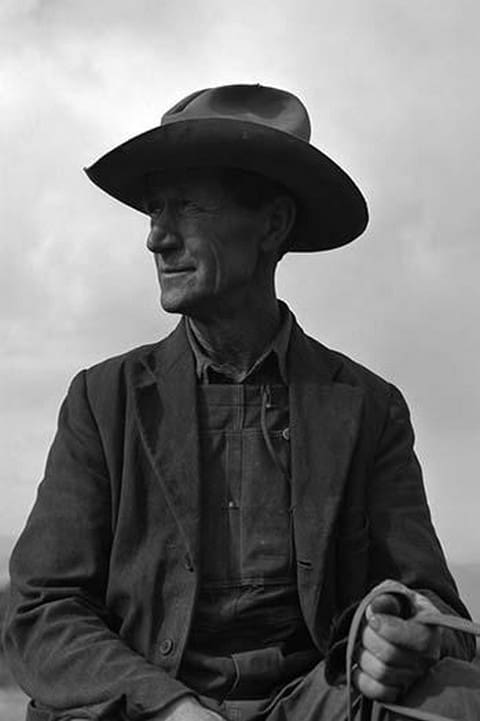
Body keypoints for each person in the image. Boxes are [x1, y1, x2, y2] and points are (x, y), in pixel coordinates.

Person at [3, 84, 479, 721]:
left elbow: (436, 610)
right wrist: (173, 709)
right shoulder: (102, 399)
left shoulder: (369, 407)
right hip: (150, 708)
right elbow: (41, 612)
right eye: (153, 210)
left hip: (317, 705)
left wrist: (406, 631)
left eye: (186, 207)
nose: (156, 238)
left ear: (272, 224)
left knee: (460, 700)